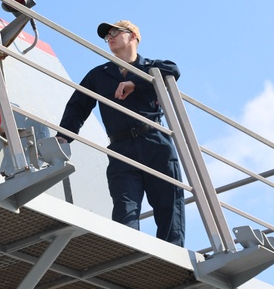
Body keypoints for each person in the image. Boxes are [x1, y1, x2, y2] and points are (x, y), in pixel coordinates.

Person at [56, 19, 185, 245]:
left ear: (133, 36)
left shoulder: (151, 66)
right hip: (121, 148)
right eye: (108, 36)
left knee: (168, 204)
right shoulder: (99, 75)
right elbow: (78, 106)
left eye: (116, 32)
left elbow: (173, 69)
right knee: (125, 207)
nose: (110, 37)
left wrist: (135, 82)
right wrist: (63, 136)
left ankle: (172, 253)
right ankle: (127, 252)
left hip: (155, 142)